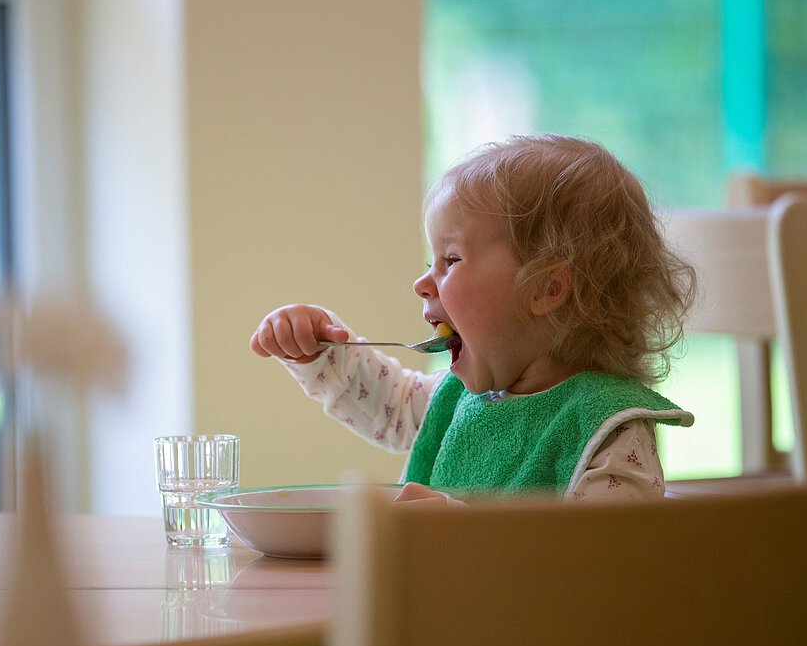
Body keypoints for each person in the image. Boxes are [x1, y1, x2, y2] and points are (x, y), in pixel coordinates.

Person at [249, 134, 697, 502]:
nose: (422, 283)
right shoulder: (458, 399)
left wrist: (464, 536)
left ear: (545, 289)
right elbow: (388, 403)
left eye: (450, 259)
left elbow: (602, 563)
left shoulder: (607, 430)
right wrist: (317, 352)